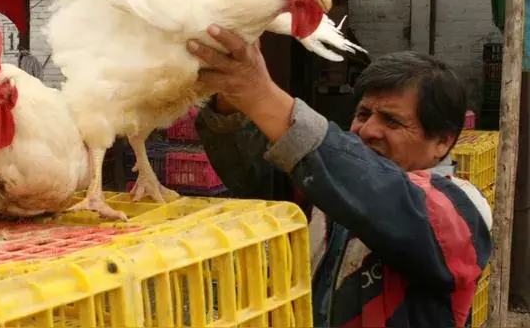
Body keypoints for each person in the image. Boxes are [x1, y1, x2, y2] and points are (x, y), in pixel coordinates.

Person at [187, 24, 492, 328]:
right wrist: (230, 96)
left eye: (393, 121)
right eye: (363, 114)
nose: (368, 130)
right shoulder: (329, 190)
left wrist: (262, 96)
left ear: (442, 141)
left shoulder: (463, 208)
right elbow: (257, 173)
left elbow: (389, 198)